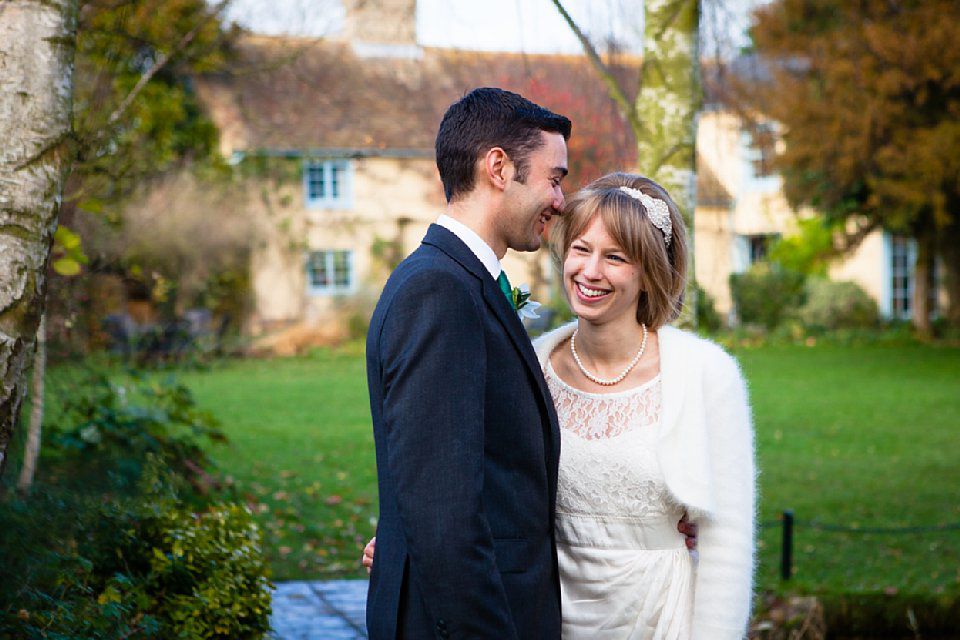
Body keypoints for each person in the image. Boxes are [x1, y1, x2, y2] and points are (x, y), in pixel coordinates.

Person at [365, 172, 755, 639]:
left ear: (650, 272)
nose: (591, 272)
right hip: (543, 612)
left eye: (615, 258)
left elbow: (727, 543)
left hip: (661, 613)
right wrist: (412, 545)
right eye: (581, 249)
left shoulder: (706, 375)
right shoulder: (530, 365)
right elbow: (470, 486)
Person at [364, 87, 571, 639]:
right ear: (499, 168)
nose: (561, 199)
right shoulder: (438, 290)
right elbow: (444, 514)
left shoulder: (461, 282)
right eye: (554, 179)